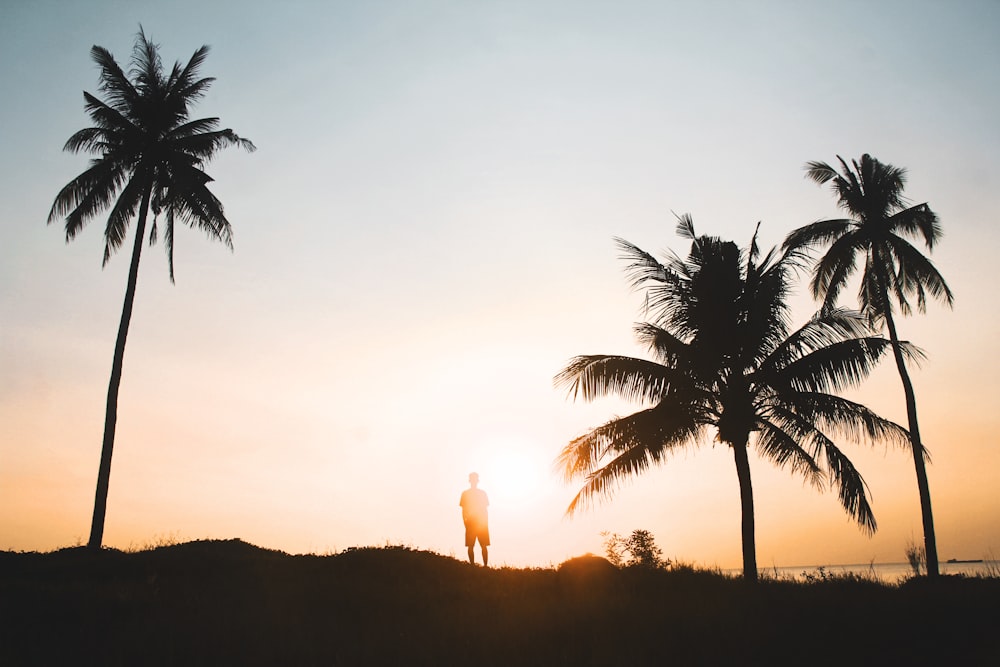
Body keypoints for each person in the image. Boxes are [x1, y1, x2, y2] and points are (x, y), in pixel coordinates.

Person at [459, 472, 489, 566]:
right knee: (473, 546)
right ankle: (477, 566)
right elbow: (464, 510)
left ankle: (482, 566)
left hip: (478, 523)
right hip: (474, 523)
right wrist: (465, 521)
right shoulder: (468, 493)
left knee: (480, 546)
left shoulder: (475, 493)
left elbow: (485, 509)